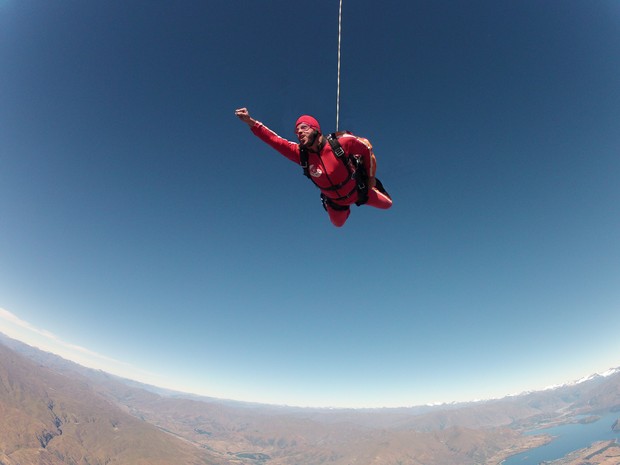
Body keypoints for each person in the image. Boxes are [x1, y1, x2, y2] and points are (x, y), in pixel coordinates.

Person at [235, 108, 392, 227]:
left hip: (358, 190)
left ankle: (372, 186)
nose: (299, 133)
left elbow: (366, 148)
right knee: (338, 224)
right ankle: (331, 203)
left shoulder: (340, 143)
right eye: (297, 131)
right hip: (336, 202)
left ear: (316, 129)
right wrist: (251, 122)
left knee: (388, 204)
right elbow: (274, 140)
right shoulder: (300, 155)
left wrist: (370, 177)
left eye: (303, 128)